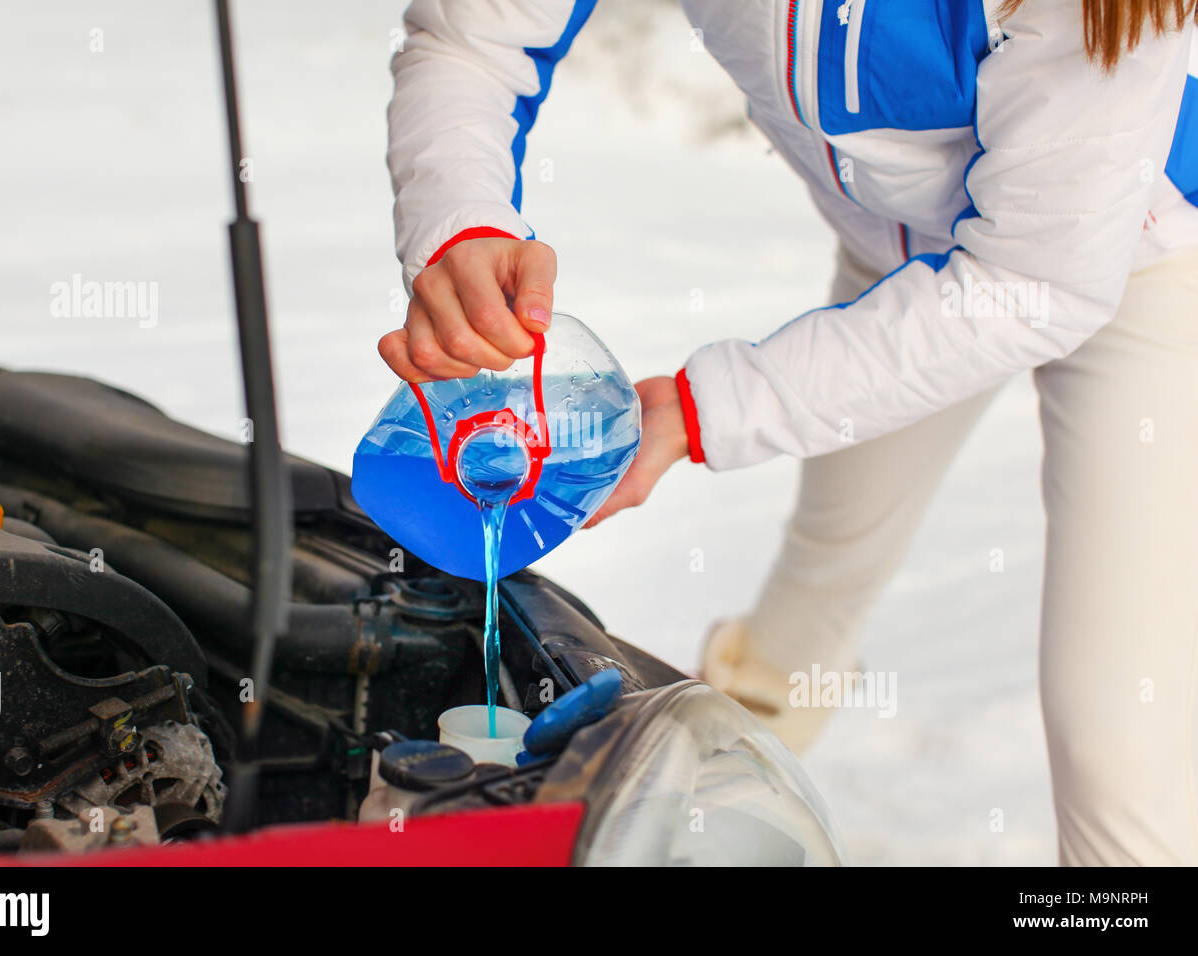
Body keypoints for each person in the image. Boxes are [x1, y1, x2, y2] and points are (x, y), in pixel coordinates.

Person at [379, 0, 1198, 865]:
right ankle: (712, 808)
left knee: (1115, 735)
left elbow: (1035, 284)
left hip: (1139, 266)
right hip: (904, 274)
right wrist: (459, 220)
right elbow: (476, 36)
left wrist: (709, 410)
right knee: (822, 574)